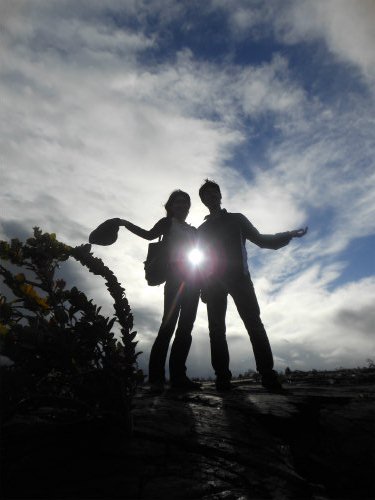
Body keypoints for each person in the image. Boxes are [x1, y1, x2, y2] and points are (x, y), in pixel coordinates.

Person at [197, 180, 308, 392]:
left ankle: (268, 376)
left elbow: (261, 240)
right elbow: (200, 261)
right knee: (216, 330)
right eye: (207, 195)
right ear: (203, 201)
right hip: (213, 284)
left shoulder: (237, 219)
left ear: (220, 196)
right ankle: (222, 378)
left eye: (215, 193)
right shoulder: (202, 230)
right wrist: (203, 286)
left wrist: (288, 235)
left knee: (254, 325)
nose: (212, 197)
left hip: (240, 279)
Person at [93, 190, 201, 393]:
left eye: (185, 202)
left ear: (189, 207)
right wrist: (124, 223)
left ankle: (179, 376)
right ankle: (156, 378)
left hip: (193, 281)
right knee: (167, 327)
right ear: (171, 206)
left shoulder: (193, 230)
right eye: (177, 202)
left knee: (186, 329)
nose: (182, 205)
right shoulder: (167, 223)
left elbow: (200, 257)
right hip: (175, 280)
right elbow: (148, 235)